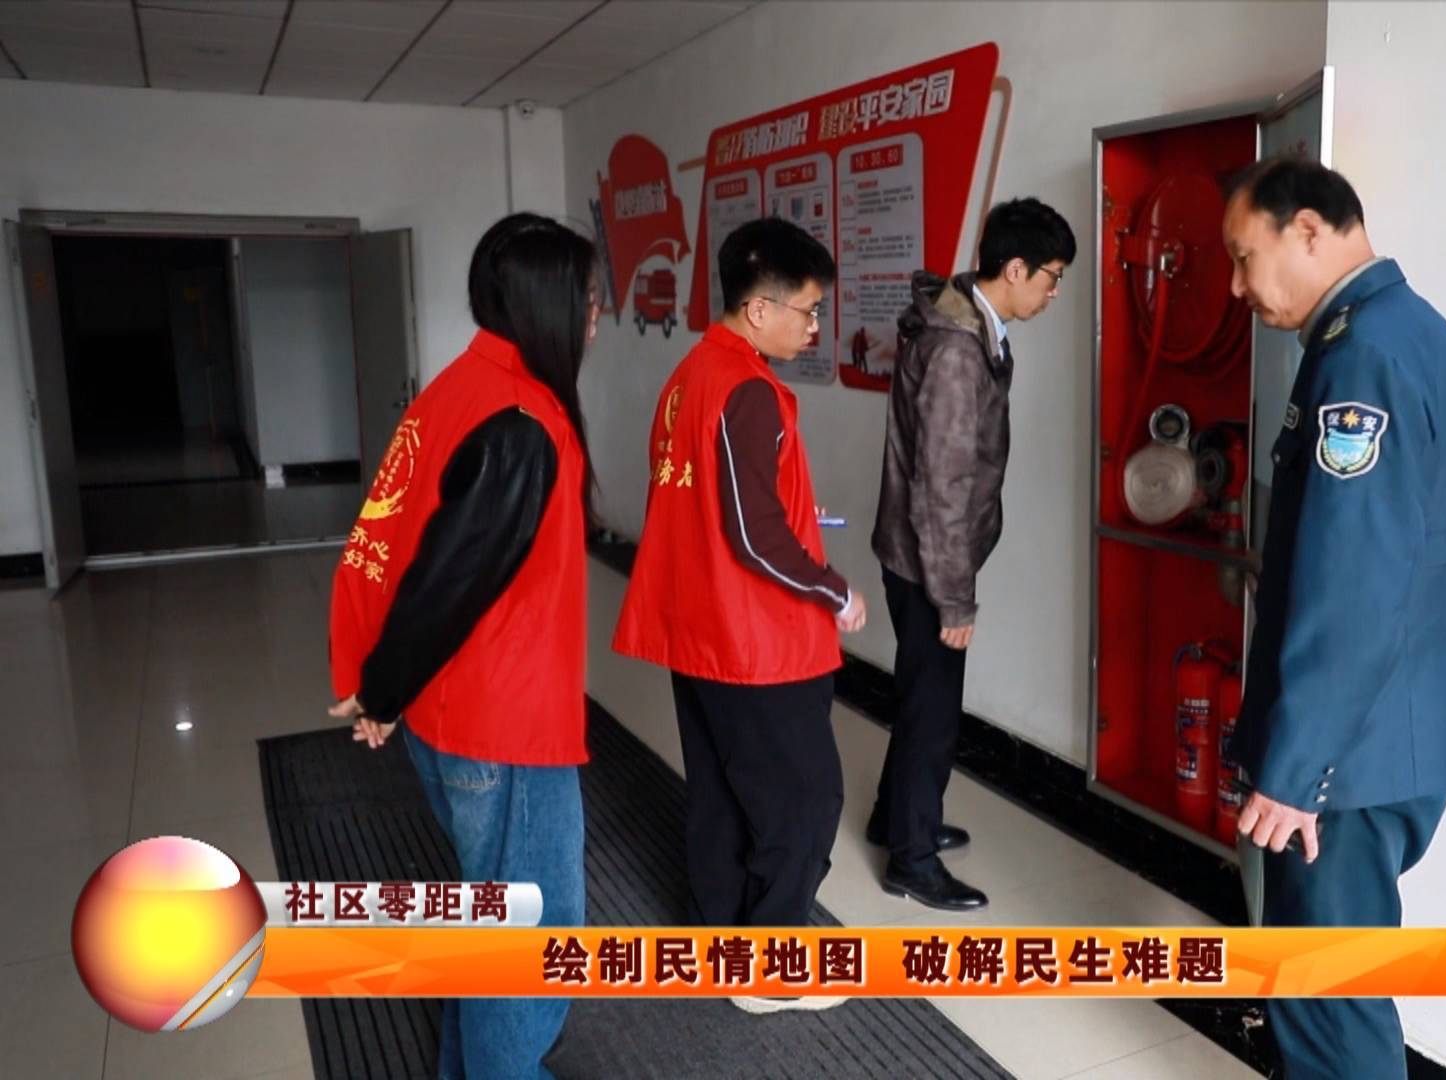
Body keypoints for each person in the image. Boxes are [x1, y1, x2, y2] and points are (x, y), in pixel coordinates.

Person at [1221, 158, 1446, 1080]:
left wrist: (1297, 771)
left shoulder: (1363, 355)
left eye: (1243, 257)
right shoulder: (1411, 332)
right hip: (1388, 733)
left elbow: (1355, 584)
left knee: (1329, 1001)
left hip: (1350, 757)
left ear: (1307, 229)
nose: (1237, 286)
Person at [327, 212, 599, 1078]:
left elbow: (410, 553)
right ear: (548, 305)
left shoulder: (457, 388)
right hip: (502, 727)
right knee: (533, 929)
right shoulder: (520, 422)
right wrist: (382, 692)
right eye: (589, 299)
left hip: (452, 715)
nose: (596, 317)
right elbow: (445, 585)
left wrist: (386, 690)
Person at [613, 217, 865, 1013]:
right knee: (806, 798)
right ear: (760, 308)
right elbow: (755, 536)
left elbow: (710, 505)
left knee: (722, 792)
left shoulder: (691, 374)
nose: (815, 327)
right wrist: (834, 588)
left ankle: (721, 941)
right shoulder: (746, 389)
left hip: (700, 629)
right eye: (809, 311)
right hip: (754, 641)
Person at [867, 197, 1076, 911]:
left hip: (917, 553)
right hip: (929, 564)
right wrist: (954, 600)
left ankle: (895, 818)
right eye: (1051, 276)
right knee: (933, 714)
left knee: (919, 696)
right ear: (1014, 269)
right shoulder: (957, 350)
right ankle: (911, 860)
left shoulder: (965, 321)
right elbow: (943, 485)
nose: (1054, 291)